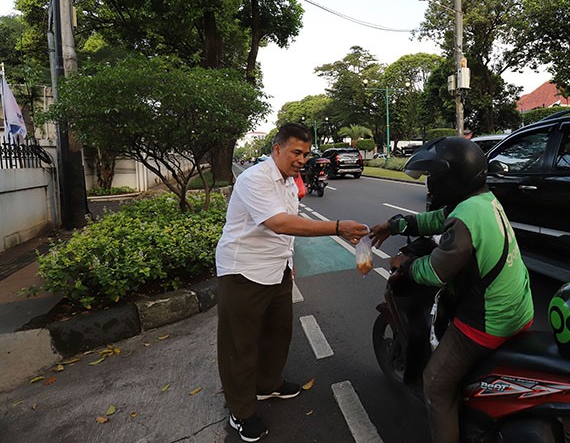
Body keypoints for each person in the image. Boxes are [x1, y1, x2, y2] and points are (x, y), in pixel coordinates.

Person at [369, 136, 533, 443]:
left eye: (435, 177)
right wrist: (395, 225)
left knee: (435, 383)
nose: (431, 183)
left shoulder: (466, 217)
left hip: (488, 320)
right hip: (519, 308)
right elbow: (436, 220)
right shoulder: (481, 201)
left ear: (452, 178)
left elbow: (433, 272)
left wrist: (404, 264)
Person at [215, 123, 368, 442]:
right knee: (239, 346)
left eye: (306, 153)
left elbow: (289, 229)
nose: (302, 159)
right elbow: (279, 223)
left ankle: (267, 384)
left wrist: (290, 263)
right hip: (243, 271)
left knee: (278, 333)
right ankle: (241, 411)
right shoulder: (254, 179)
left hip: (277, 269)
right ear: (277, 149)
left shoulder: (288, 182)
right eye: (296, 152)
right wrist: (336, 227)